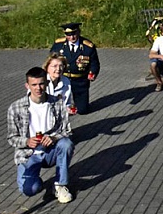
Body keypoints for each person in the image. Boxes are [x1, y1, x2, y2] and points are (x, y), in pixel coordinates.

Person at [7, 67, 74, 203]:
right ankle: (36, 180)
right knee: (29, 190)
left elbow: (67, 131)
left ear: (47, 83)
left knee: (66, 144)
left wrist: (54, 138)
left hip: (50, 150)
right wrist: (26, 142)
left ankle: (60, 185)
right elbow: (11, 138)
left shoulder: (57, 103)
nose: (38, 88)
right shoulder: (15, 107)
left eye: (42, 84)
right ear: (27, 86)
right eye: (34, 85)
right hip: (28, 153)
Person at [50, 22, 100, 114]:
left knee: (82, 110)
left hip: (80, 80)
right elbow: (51, 61)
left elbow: (94, 63)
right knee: (58, 108)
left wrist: (92, 73)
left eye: (74, 34)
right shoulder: (58, 45)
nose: (72, 37)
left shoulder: (87, 47)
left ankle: (81, 104)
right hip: (63, 79)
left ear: (79, 32)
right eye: (68, 35)